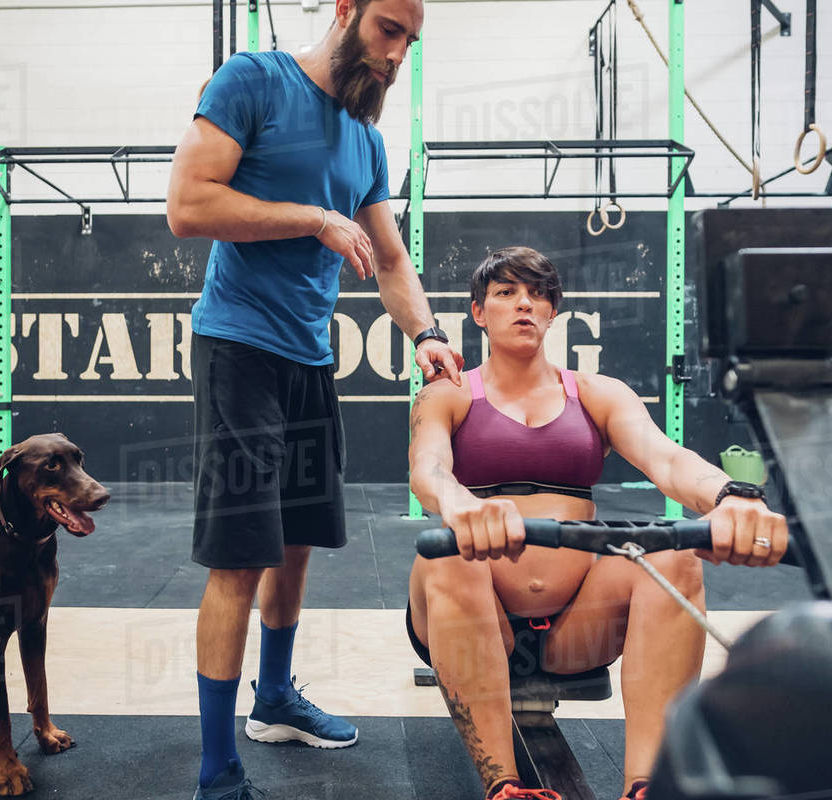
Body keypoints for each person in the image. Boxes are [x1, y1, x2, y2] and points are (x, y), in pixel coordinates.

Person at [166, 1, 459, 798]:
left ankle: (276, 698)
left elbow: (391, 260)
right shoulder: (252, 81)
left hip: (306, 359)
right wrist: (314, 217)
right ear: (345, 11)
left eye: (410, 41)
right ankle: (218, 770)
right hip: (238, 349)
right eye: (388, 30)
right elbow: (188, 205)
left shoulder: (364, 140)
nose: (397, 55)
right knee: (239, 560)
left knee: (294, 544)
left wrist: (427, 334)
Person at [407, 247, 789, 800]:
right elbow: (430, 469)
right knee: (445, 554)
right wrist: (461, 505)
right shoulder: (449, 394)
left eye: (538, 295)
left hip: (575, 632)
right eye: (506, 293)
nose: (524, 305)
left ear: (553, 315)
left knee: (671, 554)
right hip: (476, 615)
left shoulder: (597, 393)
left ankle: (648, 786)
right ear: (478, 313)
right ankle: (504, 787)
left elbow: (667, 459)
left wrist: (732, 497)